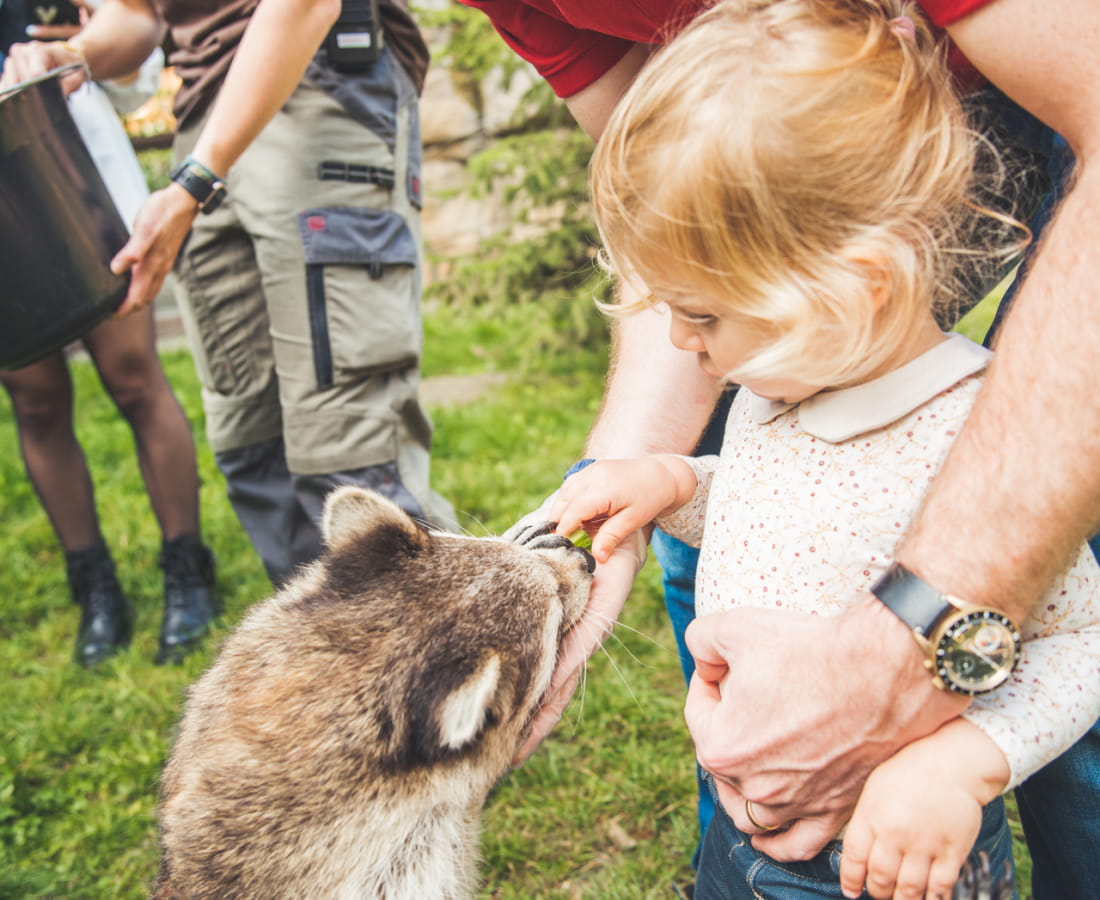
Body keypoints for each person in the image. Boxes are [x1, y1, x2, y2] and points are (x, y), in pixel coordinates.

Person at [458, 0, 1100, 895]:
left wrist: (967, 762)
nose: (682, 345)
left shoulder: (972, 433)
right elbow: (790, 510)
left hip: (885, 862)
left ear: (859, 287)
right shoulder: (783, 378)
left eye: (703, 314)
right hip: (746, 844)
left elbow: (1081, 647)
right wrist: (674, 481)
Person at [2, 0, 456, 588]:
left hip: (316, 86)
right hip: (202, 116)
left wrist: (194, 182)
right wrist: (74, 53)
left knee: (350, 460)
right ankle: (328, 671)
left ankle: (463, 665)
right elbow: (136, 15)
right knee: (255, 451)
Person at [0, 0, 216, 667]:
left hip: (64, 158)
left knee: (132, 376)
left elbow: (138, 28)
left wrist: (71, 53)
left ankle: (187, 567)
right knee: (34, 399)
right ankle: (94, 585)